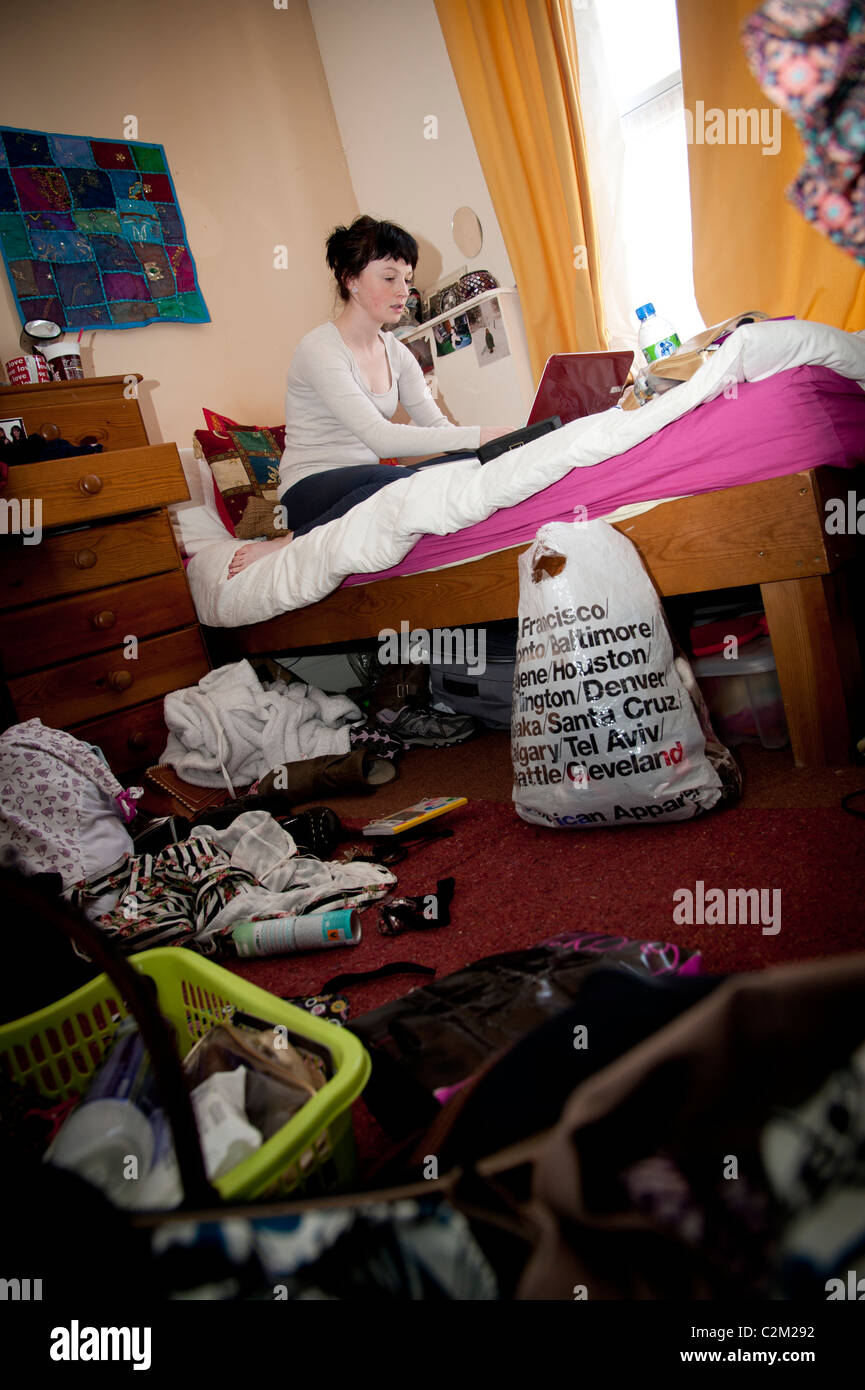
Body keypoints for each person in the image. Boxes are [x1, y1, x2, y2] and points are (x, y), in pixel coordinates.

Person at [228, 215, 512, 578]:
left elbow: (437, 426)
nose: (403, 291)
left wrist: (493, 449)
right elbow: (380, 437)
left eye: (407, 280)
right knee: (395, 481)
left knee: (459, 468)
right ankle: (291, 541)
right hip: (308, 492)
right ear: (351, 281)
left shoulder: (396, 353)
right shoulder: (320, 349)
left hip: (367, 481)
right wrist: (479, 434)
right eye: (390, 277)